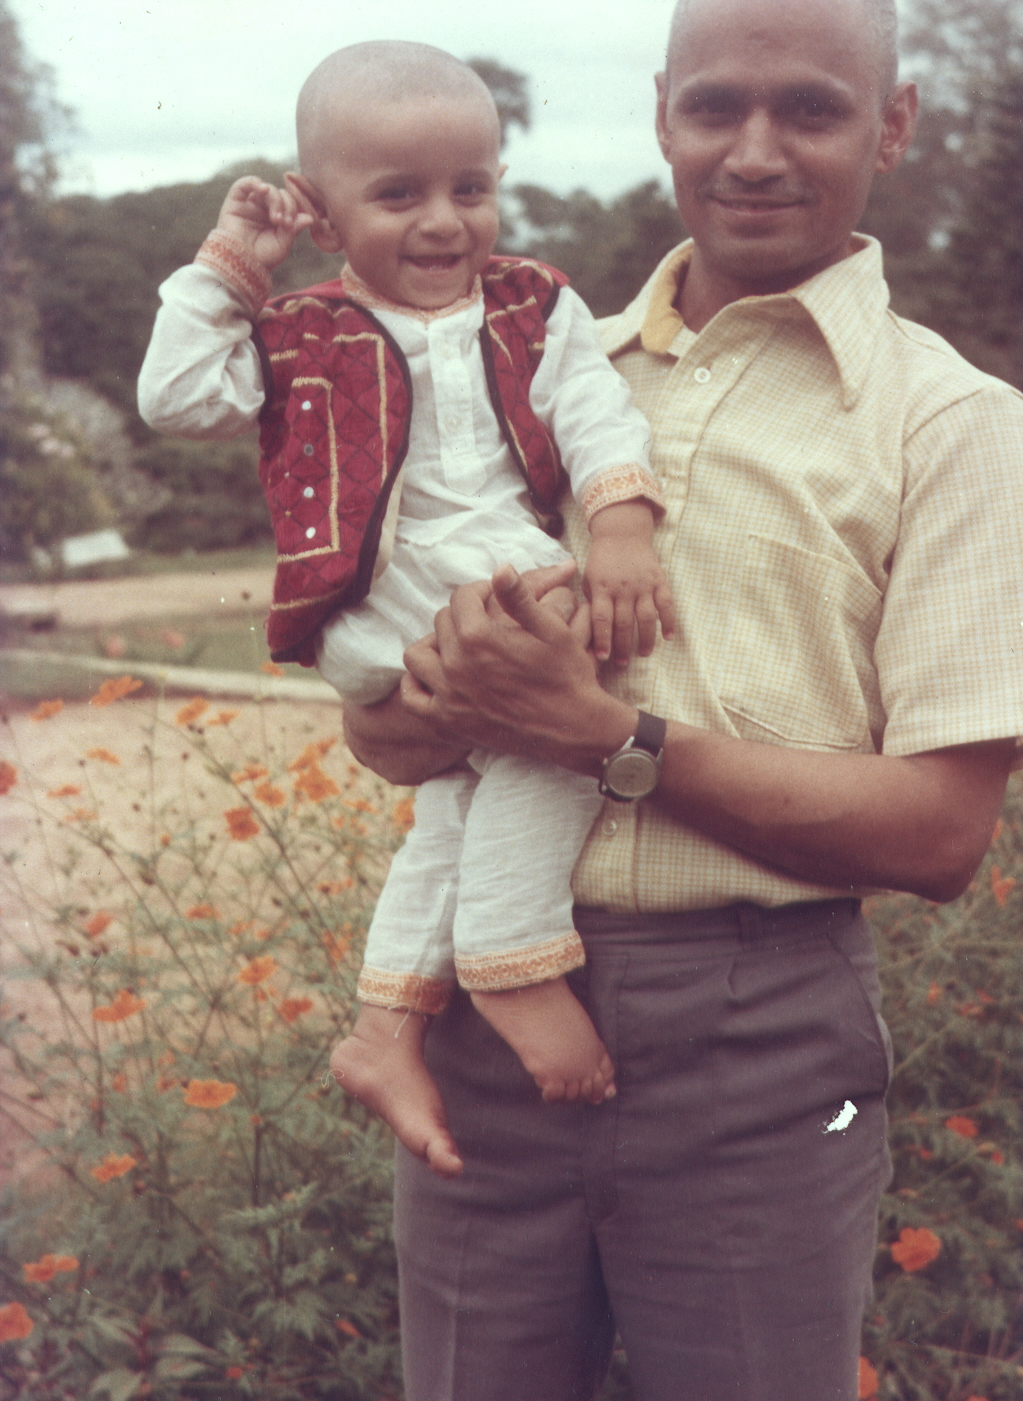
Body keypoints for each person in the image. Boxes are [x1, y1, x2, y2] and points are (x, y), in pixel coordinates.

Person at [338, 0, 1023, 1401]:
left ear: (893, 125)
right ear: (661, 114)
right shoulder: (531, 374)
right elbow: (403, 747)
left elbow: (937, 835)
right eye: (716, 108)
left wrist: (609, 738)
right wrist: (428, 695)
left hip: (757, 1042)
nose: (757, 153)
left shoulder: (952, 424)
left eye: (814, 111)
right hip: (484, 1023)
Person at [137, 42, 678, 1155]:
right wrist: (233, 262)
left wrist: (621, 520)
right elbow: (176, 396)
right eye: (398, 195)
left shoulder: (536, 303)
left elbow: (594, 412)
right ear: (324, 222)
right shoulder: (296, 330)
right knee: (564, 675)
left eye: (469, 189)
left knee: (471, 786)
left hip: (483, 565)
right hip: (378, 588)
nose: (443, 222)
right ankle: (508, 953)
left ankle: (386, 1022)